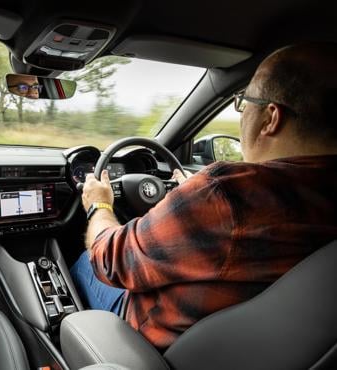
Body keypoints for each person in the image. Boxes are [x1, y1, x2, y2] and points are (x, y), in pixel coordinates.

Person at [70, 43, 337, 351]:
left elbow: (110, 260)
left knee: (85, 263)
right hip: (255, 350)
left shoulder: (226, 194)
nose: (242, 115)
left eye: (244, 103)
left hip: (155, 347)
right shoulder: (234, 197)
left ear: (270, 118)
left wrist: (99, 205)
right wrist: (192, 193)